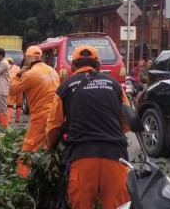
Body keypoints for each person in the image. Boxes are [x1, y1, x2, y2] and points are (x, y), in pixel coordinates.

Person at [45, 45, 130, 209]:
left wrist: (51, 151)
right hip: (115, 157)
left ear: (72, 66)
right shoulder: (114, 85)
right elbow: (126, 121)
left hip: (82, 158)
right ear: (98, 65)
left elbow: (53, 127)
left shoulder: (65, 87)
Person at [9, 45, 60, 177]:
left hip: (40, 118)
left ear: (28, 58)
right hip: (56, 116)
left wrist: (18, 74)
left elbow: (12, 90)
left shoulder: (30, 74)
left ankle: (22, 179)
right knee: (48, 149)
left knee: (28, 149)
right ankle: (48, 177)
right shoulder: (52, 71)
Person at [6, 57, 23, 124]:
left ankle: (8, 120)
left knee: (10, 104)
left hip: (12, 86)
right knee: (19, 104)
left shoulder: (6, 68)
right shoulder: (18, 68)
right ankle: (17, 119)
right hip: (19, 86)